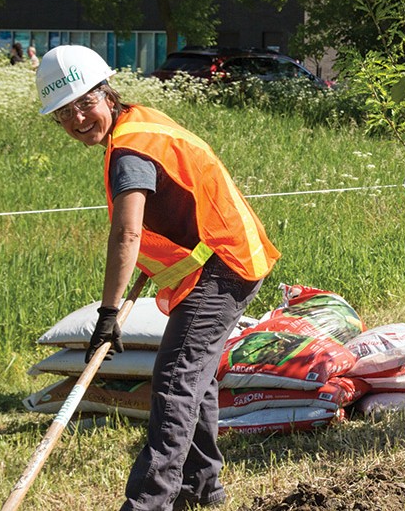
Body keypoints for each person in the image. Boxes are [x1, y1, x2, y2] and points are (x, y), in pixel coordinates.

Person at [36, 45, 279, 510]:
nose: (78, 119)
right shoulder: (138, 121)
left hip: (223, 265)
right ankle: (202, 488)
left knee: (173, 383)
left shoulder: (130, 151)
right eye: (64, 113)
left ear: (107, 94)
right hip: (220, 260)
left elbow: (126, 233)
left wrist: (108, 314)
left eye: (85, 103)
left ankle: (150, 503)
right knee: (196, 379)